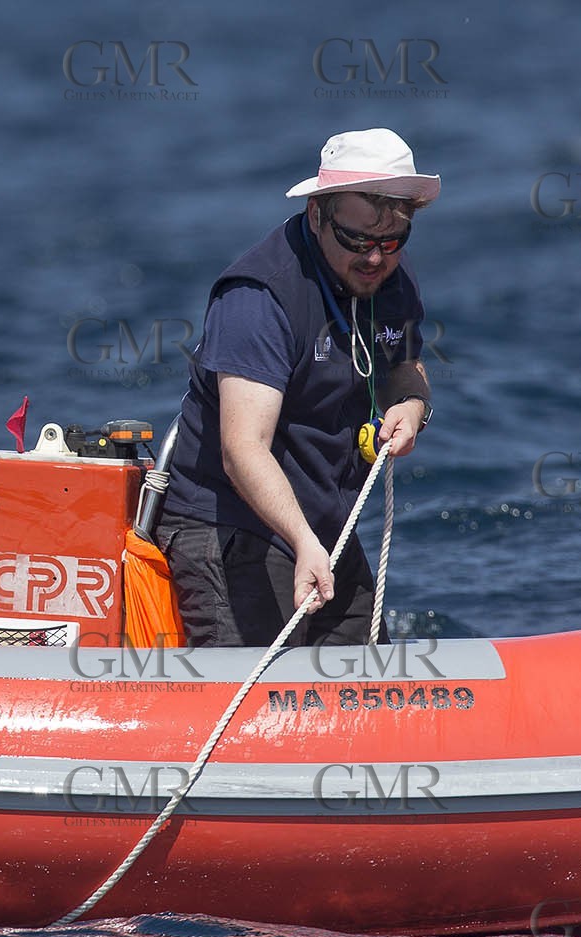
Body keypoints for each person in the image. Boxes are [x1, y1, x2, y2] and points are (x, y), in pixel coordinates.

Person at [156, 128, 439, 647]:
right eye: (357, 241)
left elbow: (405, 363)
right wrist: (304, 543)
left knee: (359, 675)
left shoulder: (388, 279)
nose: (374, 259)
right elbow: (243, 450)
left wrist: (413, 403)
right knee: (260, 694)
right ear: (317, 214)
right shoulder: (258, 298)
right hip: (230, 526)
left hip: (320, 525)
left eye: (391, 242)